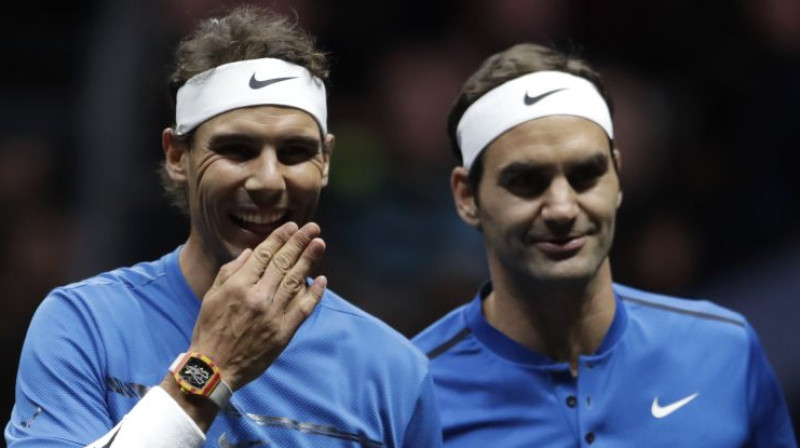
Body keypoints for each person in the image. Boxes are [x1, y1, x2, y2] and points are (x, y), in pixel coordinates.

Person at [5, 5, 441, 447]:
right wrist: (212, 365)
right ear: (178, 156)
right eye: (237, 149)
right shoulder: (84, 325)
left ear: (325, 161)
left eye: (294, 152)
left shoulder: (393, 371)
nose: (269, 181)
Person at [412, 43, 796, 447]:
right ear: (467, 196)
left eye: (585, 174)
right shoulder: (410, 390)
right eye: (526, 181)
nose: (561, 208)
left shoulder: (725, 352)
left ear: (617, 176)